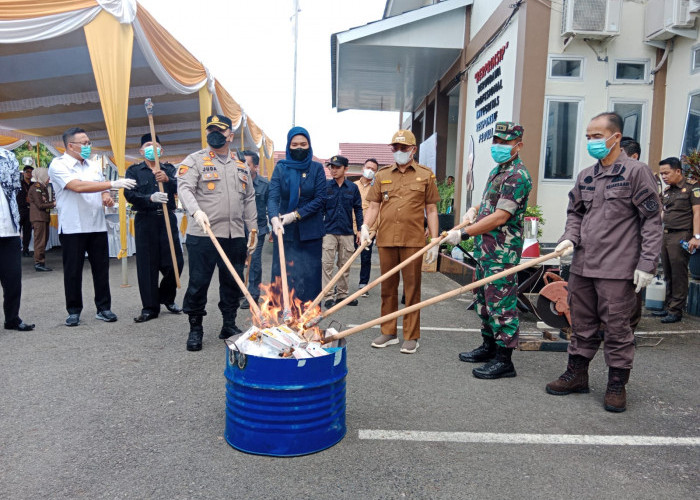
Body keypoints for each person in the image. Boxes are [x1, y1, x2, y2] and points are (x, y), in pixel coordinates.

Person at [547, 112, 662, 413]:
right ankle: (577, 375)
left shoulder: (636, 172)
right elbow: (576, 212)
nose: (591, 142)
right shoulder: (586, 175)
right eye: (588, 137)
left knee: (616, 328)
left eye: (597, 136)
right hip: (584, 265)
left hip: (618, 268)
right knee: (581, 323)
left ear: (616, 138)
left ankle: (616, 385)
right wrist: (569, 237)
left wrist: (647, 264)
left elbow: (652, 220)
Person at [444, 121, 532, 379]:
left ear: (518, 145)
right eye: (496, 141)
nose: (498, 146)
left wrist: (463, 233)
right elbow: (490, 208)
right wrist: (474, 212)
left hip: (502, 253)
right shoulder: (499, 170)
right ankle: (489, 346)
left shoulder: (517, 175)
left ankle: (505, 360)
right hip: (486, 251)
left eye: (505, 143)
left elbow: (500, 217)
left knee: (501, 304)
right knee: (483, 300)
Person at [177, 115, 258, 352]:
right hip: (204, 234)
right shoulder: (195, 160)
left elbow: (250, 199)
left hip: (234, 235)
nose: (214, 134)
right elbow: (184, 188)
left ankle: (229, 324)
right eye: (210, 130)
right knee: (199, 282)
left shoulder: (241, 165)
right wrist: (196, 212)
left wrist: (252, 229)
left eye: (220, 130)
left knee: (232, 281)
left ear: (229, 136)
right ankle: (195, 328)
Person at [360, 129, 440, 354]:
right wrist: (365, 227)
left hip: (413, 240)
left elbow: (431, 209)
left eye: (403, 148)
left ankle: (411, 335)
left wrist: (434, 239)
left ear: (413, 149)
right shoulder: (383, 174)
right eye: (395, 148)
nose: (399, 151)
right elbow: (374, 206)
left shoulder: (426, 175)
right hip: (386, 239)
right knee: (388, 287)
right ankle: (388, 331)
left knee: (412, 289)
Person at [49, 127, 137, 327]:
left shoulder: (94, 165)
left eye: (89, 142)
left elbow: (101, 190)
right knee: (73, 271)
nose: (88, 146)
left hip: (96, 224)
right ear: (70, 146)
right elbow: (77, 186)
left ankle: (104, 308)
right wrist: (112, 184)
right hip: (72, 226)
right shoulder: (58, 164)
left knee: (101, 269)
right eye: (84, 143)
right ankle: (73, 310)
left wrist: (106, 196)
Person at [124, 133, 184, 323]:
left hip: (167, 218)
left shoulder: (169, 169)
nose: (152, 148)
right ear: (141, 151)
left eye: (155, 145)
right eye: (148, 145)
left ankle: (166, 297)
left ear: (161, 150)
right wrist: (149, 198)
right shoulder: (134, 171)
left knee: (175, 263)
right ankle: (150, 307)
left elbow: (182, 187)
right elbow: (129, 195)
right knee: (147, 265)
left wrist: (167, 180)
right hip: (146, 220)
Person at [267, 126, 326, 303]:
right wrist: (274, 218)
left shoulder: (317, 169)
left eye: (303, 144)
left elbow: (321, 199)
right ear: (288, 146)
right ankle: (281, 320)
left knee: (310, 278)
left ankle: (307, 322)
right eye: (294, 144)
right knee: (283, 277)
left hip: (311, 234)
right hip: (285, 232)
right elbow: (272, 197)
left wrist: (296, 215)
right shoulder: (281, 168)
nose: (299, 148)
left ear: (309, 145)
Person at [654, 157, 700, 324]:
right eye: (661, 174)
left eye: (666, 173)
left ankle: (676, 310)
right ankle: (668, 306)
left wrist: (697, 236)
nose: (664, 176)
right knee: (667, 272)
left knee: (678, 273)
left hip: (682, 235)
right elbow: (663, 213)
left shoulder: (692, 188)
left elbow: (698, 213)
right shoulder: (668, 191)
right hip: (666, 234)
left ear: (678, 171)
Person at [0, 147, 34, 332]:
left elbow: (14, 186)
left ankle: (12, 318)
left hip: (9, 229)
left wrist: (17, 227)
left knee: (13, 278)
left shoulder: (7, 155)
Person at [322, 155, 363, 308]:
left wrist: (360, 229)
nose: (333, 170)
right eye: (331, 167)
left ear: (346, 169)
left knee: (344, 265)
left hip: (346, 231)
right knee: (327, 265)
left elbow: (358, 209)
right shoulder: (326, 187)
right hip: (329, 231)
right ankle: (328, 296)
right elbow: (320, 209)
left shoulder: (353, 188)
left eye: (337, 167)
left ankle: (342, 295)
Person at [240, 150, 269, 310]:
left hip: (257, 230)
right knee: (236, 261)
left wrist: (272, 228)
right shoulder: (235, 182)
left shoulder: (265, 185)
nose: (243, 167)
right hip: (237, 229)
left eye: (247, 164)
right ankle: (238, 290)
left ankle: (252, 296)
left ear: (255, 166)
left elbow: (271, 207)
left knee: (254, 264)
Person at [354, 158, 379, 296]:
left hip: (369, 230)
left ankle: (363, 285)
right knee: (345, 258)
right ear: (363, 168)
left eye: (373, 169)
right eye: (368, 167)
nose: (370, 170)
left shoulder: (376, 188)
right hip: (352, 227)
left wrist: (374, 230)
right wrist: (356, 229)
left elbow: (378, 210)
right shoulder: (353, 186)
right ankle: (340, 287)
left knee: (366, 258)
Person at [27, 167, 55, 272]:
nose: (48, 179)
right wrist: (53, 204)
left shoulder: (42, 187)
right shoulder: (36, 188)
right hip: (39, 218)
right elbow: (40, 204)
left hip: (43, 218)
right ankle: (39, 262)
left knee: (44, 240)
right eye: (47, 177)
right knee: (40, 241)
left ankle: (41, 261)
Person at [18, 163, 33, 257]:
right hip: (20, 210)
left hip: (30, 211)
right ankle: (16, 249)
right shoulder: (19, 184)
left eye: (31, 172)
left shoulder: (33, 185)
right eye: (27, 172)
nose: (29, 174)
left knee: (28, 231)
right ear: (23, 173)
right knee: (17, 230)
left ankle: (26, 249)